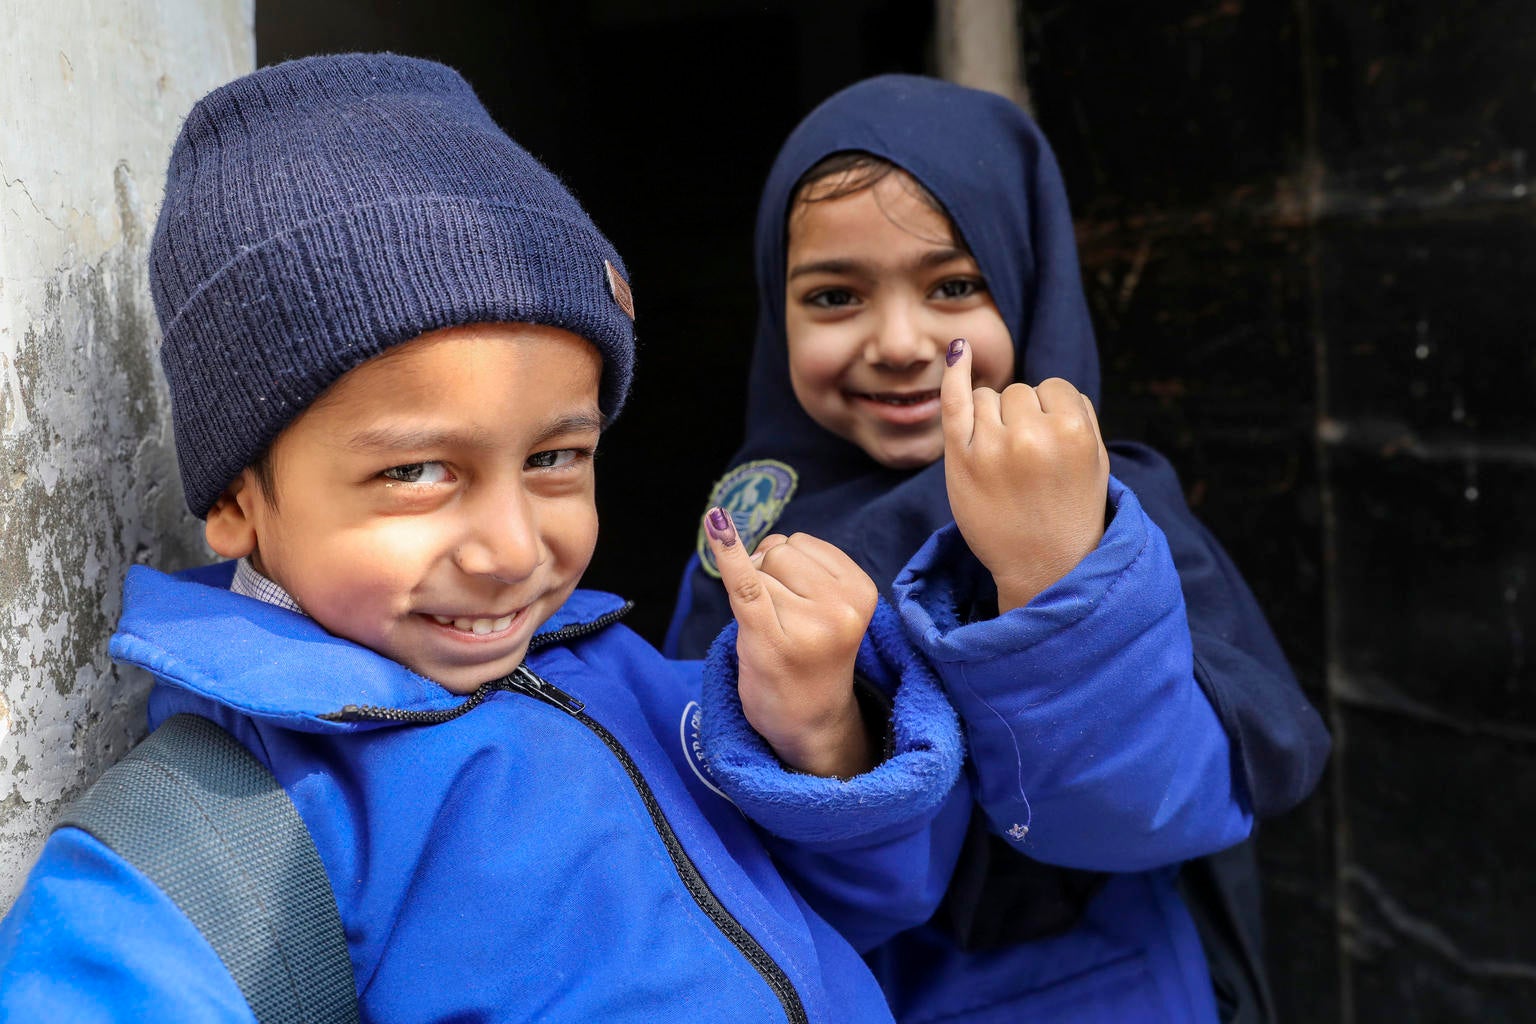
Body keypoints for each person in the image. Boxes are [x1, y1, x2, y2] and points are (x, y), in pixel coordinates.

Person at [0, 55, 973, 1022]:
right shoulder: (221, 834)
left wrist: (823, 738)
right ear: (235, 499)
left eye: (556, 457)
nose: (510, 550)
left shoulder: (628, 682)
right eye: (417, 471)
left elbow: (861, 908)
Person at [664, 74, 1332, 1024]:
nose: (899, 342)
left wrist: (1055, 569)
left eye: (954, 286)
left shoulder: (1113, 505)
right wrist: (818, 736)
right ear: (779, 313)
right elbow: (710, 840)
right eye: (834, 295)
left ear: (1030, 284)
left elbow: (1166, 803)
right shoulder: (753, 522)